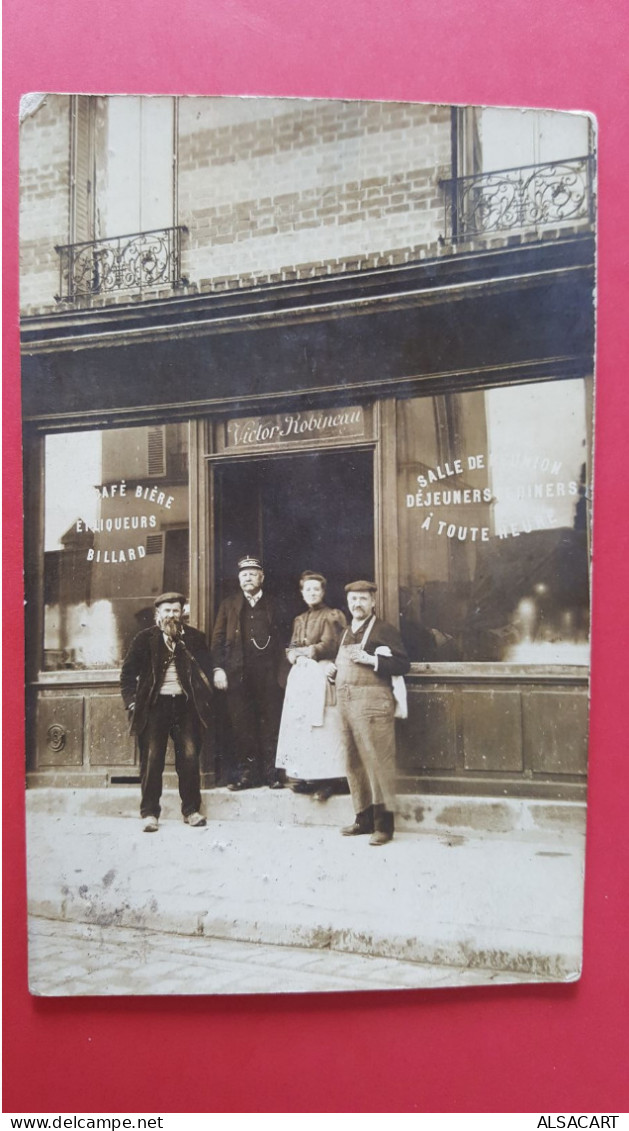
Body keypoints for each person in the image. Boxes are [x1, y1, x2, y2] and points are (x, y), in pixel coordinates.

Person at [120, 592, 214, 832]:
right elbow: (127, 675)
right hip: (154, 707)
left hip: (185, 707)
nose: (172, 615)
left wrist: (200, 701)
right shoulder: (144, 639)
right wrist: (132, 703)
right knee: (152, 759)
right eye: (167, 611)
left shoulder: (194, 638)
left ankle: (191, 810)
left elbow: (207, 673)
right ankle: (150, 813)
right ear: (157, 614)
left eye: (176, 610)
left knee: (190, 757)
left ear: (182, 613)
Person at [328, 580, 410, 846]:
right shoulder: (345, 632)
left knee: (378, 762)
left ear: (373, 602)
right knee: (352, 761)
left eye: (363, 599)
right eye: (353, 600)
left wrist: (372, 660)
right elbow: (343, 664)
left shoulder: (384, 629)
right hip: (346, 704)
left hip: (374, 703)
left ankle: (383, 826)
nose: (357, 604)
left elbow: (402, 664)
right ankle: (362, 819)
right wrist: (333, 673)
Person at [211, 555, 285, 790]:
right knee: (242, 725)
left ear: (261, 577)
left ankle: (271, 774)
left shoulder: (274, 604)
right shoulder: (228, 604)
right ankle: (248, 775)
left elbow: (285, 639)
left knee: (271, 723)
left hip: (269, 675)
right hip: (237, 675)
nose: (248, 578)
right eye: (244, 575)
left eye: (252, 574)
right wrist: (218, 668)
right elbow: (218, 639)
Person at [275, 571, 348, 800]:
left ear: (323, 592)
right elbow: (291, 647)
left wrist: (303, 652)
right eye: (308, 589)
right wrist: (295, 655)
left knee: (324, 728)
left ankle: (328, 780)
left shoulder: (331, 616)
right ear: (302, 593)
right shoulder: (299, 619)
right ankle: (308, 776)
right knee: (302, 726)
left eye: (316, 589)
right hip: (302, 677)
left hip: (322, 673)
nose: (312, 593)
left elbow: (327, 645)